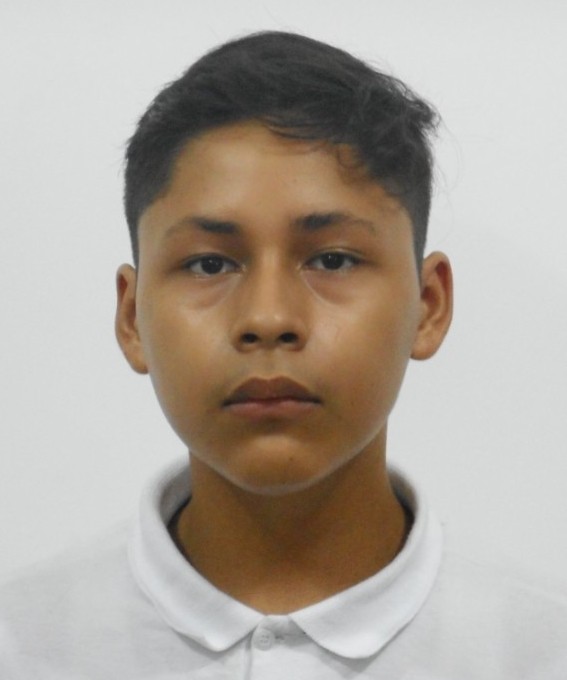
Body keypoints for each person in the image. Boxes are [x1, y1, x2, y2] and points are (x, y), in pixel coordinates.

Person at [1, 30, 566, 679]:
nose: (268, 319)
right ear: (132, 318)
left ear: (428, 305)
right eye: (209, 264)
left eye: (334, 260)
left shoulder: (541, 652)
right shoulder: (22, 646)